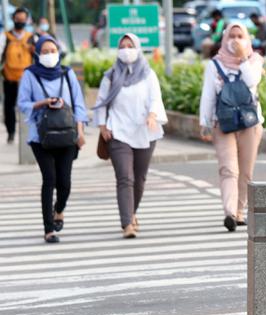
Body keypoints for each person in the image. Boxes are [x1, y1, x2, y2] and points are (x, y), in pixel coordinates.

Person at [93, 33, 168, 239]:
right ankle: (127, 223)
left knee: (139, 179)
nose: (126, 49)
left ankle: (132, 212)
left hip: (145, 131)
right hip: (118, 131)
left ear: (138, 48)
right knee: (125, 177)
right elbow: (101, 102)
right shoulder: (110, 76)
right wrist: (102, 127)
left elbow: (156, 98)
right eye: (122, 46)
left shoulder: (148, 74)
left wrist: (153, 115)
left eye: (130, 45)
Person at [17, 35, 87, 243]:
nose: (49, 55)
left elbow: (79, 105)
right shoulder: (30, 74)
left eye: (53, 51)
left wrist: (81, 132)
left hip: (67, 135)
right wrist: (43, 103)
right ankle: (49, 229)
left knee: (64, 182)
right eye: (45, 51)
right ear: (38, 54)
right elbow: (23, 104)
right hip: (41, 137)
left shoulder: (67, 73)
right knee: (49, 180)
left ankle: (59, 210)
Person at [199, 22, 265, 232]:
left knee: (246, 172)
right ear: (224, 38)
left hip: (250, 122)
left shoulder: (254, 60)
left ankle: (239, 212)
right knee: (228, 169)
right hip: (223, 122)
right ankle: (229, 212)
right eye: (232, 36)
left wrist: (242, 57)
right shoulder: (215, 64)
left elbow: (252, 81)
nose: (236, 40)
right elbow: (208, 95)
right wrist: (205, 123)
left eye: (240, 36)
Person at [1, 7, 34, 143]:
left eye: (22, 19)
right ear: (13, 19)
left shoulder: (31, 38)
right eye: (18, 19)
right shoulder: (5, 37)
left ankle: (28, 134)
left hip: (26, 79)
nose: (20, 21)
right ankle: (11, 133)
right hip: (9, 78)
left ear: (26, 20)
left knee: (28, 107)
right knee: (9, 107)